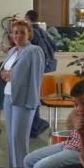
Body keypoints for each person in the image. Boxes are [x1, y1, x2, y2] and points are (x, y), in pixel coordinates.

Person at [0, 19, 45, 168]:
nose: (18, 36)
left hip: (24, 100)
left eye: (22, 32)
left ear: (29, 34)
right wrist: (3, 73)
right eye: (15, 33)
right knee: (11, 140)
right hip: (9, 97)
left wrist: (10, 75)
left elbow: (36, 77)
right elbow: (3, 71)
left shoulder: (34, 51)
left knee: (19, 140)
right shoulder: (13, 51)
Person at [25, 10, 57, 138]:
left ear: (27, 18)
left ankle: (37, 125)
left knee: (32, 97)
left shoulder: (32, 32)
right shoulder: (43, 31)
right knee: (35, 95)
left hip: (33, 69)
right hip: (42, 68)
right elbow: (54, 47)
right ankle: (34, 126)